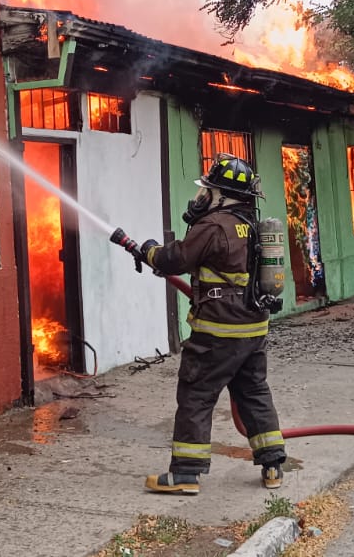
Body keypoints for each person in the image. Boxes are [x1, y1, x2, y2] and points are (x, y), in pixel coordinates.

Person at [128, 154, 286, 495]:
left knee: (196, 394)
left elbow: (175, 259)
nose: (202, 197)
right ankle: (273, 466)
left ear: (223, 195)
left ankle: (186, 473)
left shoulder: (214, 226)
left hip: (218, 330)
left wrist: (150, 250)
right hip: (254, 329)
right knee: (254, 393)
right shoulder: (251, 224)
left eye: (208, 191)